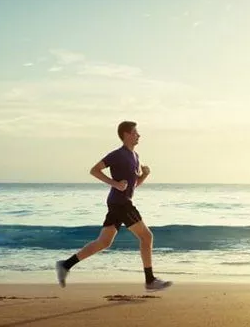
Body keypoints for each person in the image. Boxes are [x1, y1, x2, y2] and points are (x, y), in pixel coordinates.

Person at [55, 121, 172, 291]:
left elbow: (133, 185)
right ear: (126, 134)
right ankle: (150, 280)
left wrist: (144, 175)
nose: (138, 135)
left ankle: (65, 265)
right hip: (121, 203)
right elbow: (94, 170)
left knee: (103, 242)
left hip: (118, 202)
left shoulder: (136, 157)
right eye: (135, 133)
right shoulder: (118, 154)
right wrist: (115, 184)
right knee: (147, 237)